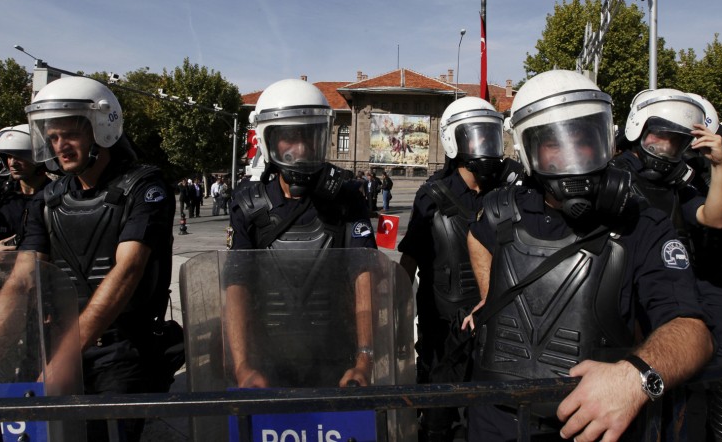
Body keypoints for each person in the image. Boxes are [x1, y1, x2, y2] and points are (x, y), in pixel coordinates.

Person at [464, 70, 713, 442]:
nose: (574, 155)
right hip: (496, 418)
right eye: (556, 144)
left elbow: (693, 332)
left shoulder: (641, 222)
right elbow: (476, 237)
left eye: (585, 141)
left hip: (593, 423)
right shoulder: (503, 209)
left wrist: (635, 377)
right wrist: (490, 294)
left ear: (605, 140)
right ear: (530, 150)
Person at [0, 77, 180, 442]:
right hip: (58, 344)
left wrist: (65, 357)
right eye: (52, 137)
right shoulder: (48, 199)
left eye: (69, 135)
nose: (60, 146)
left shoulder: (144, 188)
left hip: (122, 349)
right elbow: (22, 281)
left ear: (103, 128)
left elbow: (127, 270)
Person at [224, 78, 377, 389]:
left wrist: (364, 361)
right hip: (267, 362)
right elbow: (235, 287)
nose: (302, 148)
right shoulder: (249, 205)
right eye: (290, 137)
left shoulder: (347, 201)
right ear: (269, 140)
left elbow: (366, 279)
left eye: (310, 136)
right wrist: (242, 367)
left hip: (337, 360)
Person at [397, 96, 522, 442]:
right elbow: (408, 261)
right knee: (438, 420)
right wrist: (393, 321)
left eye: (490, 135)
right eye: (476, 136)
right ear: (455, 140)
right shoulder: (431, 197)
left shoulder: (510, 193)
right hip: (443, 335)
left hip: (497, 331)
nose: (485, 145)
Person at [611, 89, 722, 440]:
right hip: (620, 307)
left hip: (665, 303)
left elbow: (715, 217)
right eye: (658, 137)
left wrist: (720, 165)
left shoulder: (678, 185)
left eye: (675, 142)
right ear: (638, 130)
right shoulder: (614, 176)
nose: (664, 148)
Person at [0, 124, 52, 323]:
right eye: (8, 155)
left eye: (20, 155)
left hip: (42, 292)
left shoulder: (57, 195)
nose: (13, 162)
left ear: (39, 157)